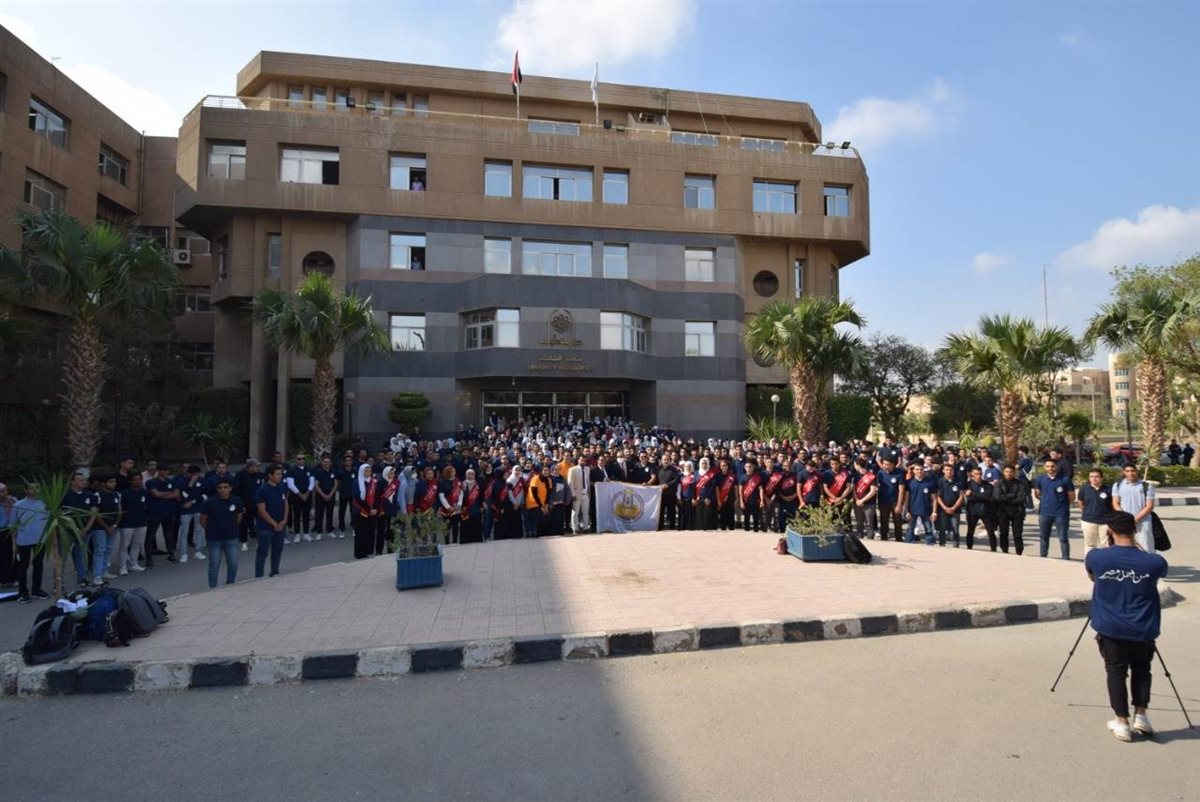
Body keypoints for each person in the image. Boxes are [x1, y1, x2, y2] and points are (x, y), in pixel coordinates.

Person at [1085, 510, 1168, 741]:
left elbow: (1093, 577)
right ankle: (1141, 715)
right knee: (1142, 670)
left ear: (1110, 531)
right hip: (1143, 627)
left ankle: (1121, 721)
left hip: (1110, 627)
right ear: (1135, 530)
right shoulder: (1154, 562)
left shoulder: (1096, 557)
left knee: (1116, 671)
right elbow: (1158, 574)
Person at [200, 478, 243, 588]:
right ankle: (213, 587)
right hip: (214, 539)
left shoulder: (236, 500)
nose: (223, 490)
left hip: (231, 537)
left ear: (230, 488)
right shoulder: (210, 502)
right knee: (214, 564)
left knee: (233, 563)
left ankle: (230, 583)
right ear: (217, 489)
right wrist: (210, 529)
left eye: (225, 487)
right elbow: (203, 519)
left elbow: (239, 515)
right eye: (220, 488)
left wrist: (232, 526)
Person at [12, 482, 49, 603]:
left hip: (40, 539)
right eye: (31, 488)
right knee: (23, 566)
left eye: (37, 488)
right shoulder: (18, 505)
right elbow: (13, 524)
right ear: (25, 490)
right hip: (24, 540)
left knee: (38, 564)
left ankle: (36, 589)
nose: (34, 490)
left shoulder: (44, 504)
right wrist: (14, 542)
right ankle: (23, 592)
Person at [1033, 459, 1075, 559]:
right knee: (1043, 537)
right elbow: (1037, 494)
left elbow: (1072, 497)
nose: (1050, 468)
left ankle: (1065, 558)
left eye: (1052, 466)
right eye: (1047, 466)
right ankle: (1043, 557)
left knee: (1063, 538)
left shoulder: (1065, 479)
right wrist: (1046, 501)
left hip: (1061, 514)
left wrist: (1062, 504)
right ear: (1044, 467)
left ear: (1056, 467)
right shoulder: (1040, 479)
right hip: (1044, 513)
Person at [1112, 463, 1156, 554]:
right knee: (1126, 547)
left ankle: (1148, 562)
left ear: (1137, 471)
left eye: (1133, 471)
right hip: (1125, 522)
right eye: (1127, 471)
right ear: (1123, 472)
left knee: (1145, 546)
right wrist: (1125, 518)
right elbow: (1116, 503)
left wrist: (1135, 519)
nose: (1130, 473)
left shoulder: (1147, 486)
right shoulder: (1117, 485)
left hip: (1143, 522)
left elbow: (1149, 506)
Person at [62, 472, 97, 585]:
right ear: (72, 482)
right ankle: (59, 582)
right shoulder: (65, 496)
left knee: (81, 554)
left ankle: (82, 578)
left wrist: (86, 528)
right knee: (62, 556)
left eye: (84, 480)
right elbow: (60, 514)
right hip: (67, 531)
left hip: (85, 530)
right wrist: (73, 528)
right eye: (80, 480)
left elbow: (93, 513)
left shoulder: (90, 495)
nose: (83, 482)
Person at [254, 464, 289, 578]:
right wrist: (274, 523)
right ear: (270, 475)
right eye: (277, 474)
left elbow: (285, 504)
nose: (280, 476)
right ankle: (259, 575)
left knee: (277, 550)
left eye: (281, 474)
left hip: (281, 524)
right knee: (262, 552)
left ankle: (275, 571)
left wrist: (284, 520)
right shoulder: (263, 490)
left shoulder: (282, 487)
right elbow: (262, 510)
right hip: (265, 527)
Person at [145, 463, 179, 566]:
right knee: (151, 535)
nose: (166, 472)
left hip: (169, 511)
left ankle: (171, 554)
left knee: (169, 534)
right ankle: (149, 558)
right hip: (155, 512)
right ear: (159, 471)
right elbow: (155, 494)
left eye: (167, 470)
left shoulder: (172, 481)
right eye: (164, 470)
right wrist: (169, 493)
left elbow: (177, 494)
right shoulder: (151, 482)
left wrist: (162, 494)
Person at [91, 474, 122, 582]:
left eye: (114, 482)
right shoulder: (97, 495)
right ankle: (97, 575)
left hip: (113, 526)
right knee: (100, 549)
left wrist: (115, 525)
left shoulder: (116, 494)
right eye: (110, 482)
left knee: (108, 549)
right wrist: (106, 527)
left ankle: (104, 571)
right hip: (99, 527)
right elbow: (96, 514)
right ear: (103, 484)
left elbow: (119, 510)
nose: (113, 484)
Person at [1077, 468, 1114, 556]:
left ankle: (1105, 562)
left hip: (1105, 522)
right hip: (1088, 521)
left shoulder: (1109, 489)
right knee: (1090, 544)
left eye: (1096, 476)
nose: (1094, 479)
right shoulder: (1084, 489)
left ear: (1101, 478)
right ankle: (1089, 561)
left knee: (1106, 545)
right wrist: (1087, 511)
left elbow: (1113, 505)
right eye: (1091, 476)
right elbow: (1080, 502)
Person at [992, 465, 1027, 555]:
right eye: (1007, 471)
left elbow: (1022, 498)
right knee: (1003, 533)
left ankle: (1019, 552)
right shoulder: (999, 483)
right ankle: (1005, 551)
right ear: (1003, 472)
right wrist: (1011, 496)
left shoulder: (1020, 483)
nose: (1009, 474)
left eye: (1011, 472)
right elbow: (997, 497)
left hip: (1017, 511)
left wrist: (1006, 498)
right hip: (1003, 511)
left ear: (1014, 473)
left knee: (1017, 534)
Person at [118, 473, 149, 573]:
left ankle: (133, 563)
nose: (138, 482)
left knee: (137, 544)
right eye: (135, 480)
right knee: (124, 545)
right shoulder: (125, 493)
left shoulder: (144, 492)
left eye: (139, 479)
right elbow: (121, 509)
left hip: (141, 522)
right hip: (127, 523)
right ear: (130, 481)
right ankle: (123, 566)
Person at [177, 465, 207, 563]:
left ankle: (198, 551)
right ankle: (183, 553)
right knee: (184, 531)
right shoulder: (182, 481)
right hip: (185, 510)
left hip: (198, 508)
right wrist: (191, 483)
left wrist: (193, 501)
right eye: (194, 474)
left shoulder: (202, 481)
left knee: (199, 530)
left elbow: (204, 494)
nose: (196, 476)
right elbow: (184, 495)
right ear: (189, 474)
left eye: (198, 474)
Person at [351, 464, 382, 559]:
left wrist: (375, 508)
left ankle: (369, 551)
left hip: (372, 511)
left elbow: (377, 496)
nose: (368, 473)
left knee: (371, 532)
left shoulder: (374, 482)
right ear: (362, 472)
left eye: (369, 471)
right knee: (361, 532)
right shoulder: (357, 482)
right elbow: (358, 498)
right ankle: (360, 553)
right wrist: (369, 509)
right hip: (360, 511)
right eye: (366, 471)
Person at [963, 466, 996, 551]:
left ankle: (993, 549)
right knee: (970, 531)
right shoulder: (968, 484)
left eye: (980, 474)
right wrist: (978, 496)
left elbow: (987, 497)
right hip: (972, 511)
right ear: (972, 474)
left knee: (991, 532)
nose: (978, 476)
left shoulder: (987, 485)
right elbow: (968, 498)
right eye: (976, 474)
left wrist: (972, 494)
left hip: (985, 511)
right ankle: (969, 548)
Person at [235, 459, 264, 552]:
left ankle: (260, 541)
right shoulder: (240, 475)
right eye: (256, 466)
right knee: (244, 524)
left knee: (260, 522)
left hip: (258, 503)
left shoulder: (260, 475)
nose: (258, 468)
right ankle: (244, 542)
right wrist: (240, 505)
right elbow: (237, 491)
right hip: (245, 504)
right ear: (250, 467)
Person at [285, 453, 315, 543]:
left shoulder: (309, 469)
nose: (301, 460)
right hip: (296, 496)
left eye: (302, 459)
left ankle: (306, 533)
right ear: (296, 460)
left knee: (306, 514)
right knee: (297, 515)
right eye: (299, 459)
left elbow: (312, 482)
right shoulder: (291, 470)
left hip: (307, 495)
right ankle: (297, 534)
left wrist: (307, 493)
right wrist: (300, 494)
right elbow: (290, 485)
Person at [933, 463, 963, 547]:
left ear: (953, 471)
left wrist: (954, 508)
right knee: (942, 528)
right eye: (946, 470)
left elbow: (961, 496)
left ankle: (956, 545)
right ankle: (942, 544)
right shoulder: (940, 481)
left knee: (955, 529)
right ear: (943, 471)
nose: (949, 471)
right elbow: (938, 496)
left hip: (955, 510)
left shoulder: (958, 482)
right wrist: (944, 507)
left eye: (951, 470)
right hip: (943, 509)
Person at [875, 458, 905, 542]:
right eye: (884, 464)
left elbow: (901, 490)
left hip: (895, 502)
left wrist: (899, 505)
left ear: (893, 465)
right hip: (883, 501)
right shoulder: (880, 472)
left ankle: (898, 540)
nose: (885, 466)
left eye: (887, 464)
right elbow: (877, 484)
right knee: (883, 521)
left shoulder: (899, 473)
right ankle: (884, 539)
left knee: (897, 522)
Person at [905, 464, 935, 545]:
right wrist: (906, 510)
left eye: (921, 469)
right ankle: (908, 544)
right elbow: (906, 498)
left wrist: (934, 512)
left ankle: (930, 544)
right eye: (917, 469)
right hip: (912, 510)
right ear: (914, 471)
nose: (919, 471)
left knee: (928, 529)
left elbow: (934, 499)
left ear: (924, 471)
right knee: (910, 529)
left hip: (926, 510)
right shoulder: (909, 482)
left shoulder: (929, 483)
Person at [312, 453, 338, 541]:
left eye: (328, 462)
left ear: (331, 463)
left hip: (331, 496)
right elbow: (316, 485)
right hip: (320, 497)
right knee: (319, 514)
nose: (327, 463)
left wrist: (330, 494)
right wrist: (323, 495)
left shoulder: (333, 471)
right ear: (322, 463)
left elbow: (335, 484)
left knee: (330, 514)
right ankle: (319, 532)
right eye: (325, 462)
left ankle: (329, 530)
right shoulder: (318, 472)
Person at [852, 457, 878, 540]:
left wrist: (862, 500)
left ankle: (870, 539)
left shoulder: (871, 476)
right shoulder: (855, 475)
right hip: (857, 502)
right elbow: (853, 489)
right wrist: (857, 500)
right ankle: (860, 538)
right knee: (859, 522)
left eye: (855, 465)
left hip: (869, 503)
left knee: (869, 523)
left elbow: (873, 491)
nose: (854, 466)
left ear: (858, 465)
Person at [437, 465, 463, 544]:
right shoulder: (442, 483)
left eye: (454, 471)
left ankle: (455, 541)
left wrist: (459, 504)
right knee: (446, 527)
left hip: (456, 508)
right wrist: (448, 507)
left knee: (455, 526)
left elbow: (461, 493)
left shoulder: (458, 481)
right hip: (446, 509)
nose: (454, 472)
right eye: (452, 471)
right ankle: (447, 542)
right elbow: (441, 496)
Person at [526, 463, 554, 538]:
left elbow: (548, 493)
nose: (546, 472)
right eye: (544, 470)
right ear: (541, 471)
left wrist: (546, 505)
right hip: (533, 502)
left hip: (543, 503)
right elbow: (534, 494)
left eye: (547, 470)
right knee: (540, 518)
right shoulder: (535, 479)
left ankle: (545, 535)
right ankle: (538, 535)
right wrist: (541, 507)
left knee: (547, 517)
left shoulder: (549, 480)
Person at [567, 456, 591, 534]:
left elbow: (587, 481)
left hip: (586, 493)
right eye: (581, 460)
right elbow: (570, 483)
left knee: (585, 512)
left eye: (584, 460)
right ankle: (575, 528)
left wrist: (588, 492)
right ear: (578, 460)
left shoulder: (587, 469)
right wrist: (573, 494)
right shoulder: (572, 469)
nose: (583, 462)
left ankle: (585, 528)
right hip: (576, 494)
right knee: (575, 512)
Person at [460, 468, 484, 544]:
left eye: (472, 474)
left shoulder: (478, 484)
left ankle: (477, 539)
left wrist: (481, 506)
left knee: (476, 523)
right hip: (465, 508)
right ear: (466, 475)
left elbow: (481, 496)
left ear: (474, 475)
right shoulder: (462, 484)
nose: (470, 475)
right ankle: (466, 540)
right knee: (465, 524)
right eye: (469, 474)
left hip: (476, 507)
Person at [740, 460, 764, 532]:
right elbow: (740, 491)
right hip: (746, 500)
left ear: (753, 467)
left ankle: (756, 531)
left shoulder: (757, 477)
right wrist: (741, 501)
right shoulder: (742, 477)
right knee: (746, 517)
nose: (749, 468)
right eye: (747, 467)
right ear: (745, 468)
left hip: (755, 500)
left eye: (750, 467)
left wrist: (762, 500)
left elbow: (761, 489)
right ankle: (746, 531)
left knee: (756, 517)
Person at [336, 454, 356, 537]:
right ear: (344, 462)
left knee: (353, 512)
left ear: (352, 461)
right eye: (346, 461)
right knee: (342, 512)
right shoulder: (340, 472)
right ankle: (342, 529)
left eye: (349, 460)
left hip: (353, 495)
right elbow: (338, 483)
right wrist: (340, 491)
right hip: (343, 494)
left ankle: (354, 528)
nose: (348, 462)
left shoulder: (355, 471)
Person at [714, 458, 737, 531]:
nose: (724, 467)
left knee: (731, 516)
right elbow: (717, 489)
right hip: (721, 499)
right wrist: (718, 500)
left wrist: (736, 498)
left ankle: (731, 530)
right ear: (720, 467)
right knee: (723, 517)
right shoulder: (717, 476)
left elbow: (735, 488)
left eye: (725, 465)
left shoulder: (732, 476)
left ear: (728, 466)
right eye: (722, 465)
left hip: (731, 498)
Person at [694, 457, 716, 531]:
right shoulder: (696, 473)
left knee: (707, 516)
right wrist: (695, 497)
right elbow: (693, 486)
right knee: (699, 515)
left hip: (708, 498)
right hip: (698, 498)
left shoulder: (711, 474)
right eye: (703, 463)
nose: (704, 465)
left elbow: (712, 487)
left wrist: (708, 498)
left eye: (706, 463)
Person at [0, 483, 15, 586]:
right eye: (2, 491)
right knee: (2, 556)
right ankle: (3, 579)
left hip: (11, 531)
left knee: (12, 555)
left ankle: (12, 577)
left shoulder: (11, 501)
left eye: (5, 491)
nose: (5, 493)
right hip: (1, 532)